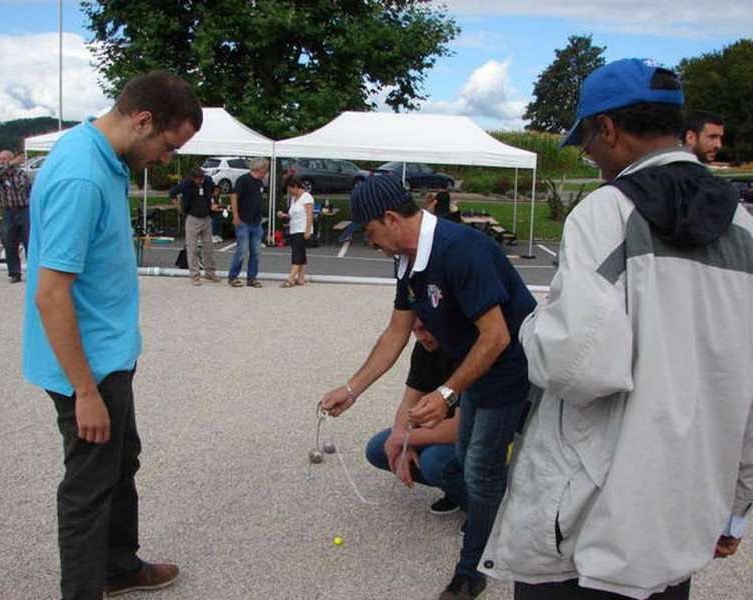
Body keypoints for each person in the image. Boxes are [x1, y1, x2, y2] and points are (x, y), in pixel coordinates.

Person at [482, 58, 753, 600]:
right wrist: (738, 504)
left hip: (590, 520)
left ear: (607, 128)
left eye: (586, 140)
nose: (588, 154)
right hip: (680, 514)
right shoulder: (745, 227)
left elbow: (575, 366)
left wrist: (537, 322)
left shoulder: (606, 213)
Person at [23, 70, 202, 600]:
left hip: (109, 356)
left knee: (121, 460)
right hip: (88, 367)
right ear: (143, 121)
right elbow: (51, 294)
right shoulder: (81, 174)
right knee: (89, 487)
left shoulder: (103, 156)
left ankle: (119, 567)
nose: (168, 160)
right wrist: (84, 392)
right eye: (169, 146)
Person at [320, 174, 536, 600]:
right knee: (468, 458)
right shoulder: (407, 261)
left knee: (481, 466)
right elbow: (395, 333)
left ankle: (471, 570)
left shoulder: (460, 250)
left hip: (508, 368)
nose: (370, 242)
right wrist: (353, 388)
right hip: (475, 367)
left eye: (368, 232)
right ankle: (488, 512)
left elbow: (497, 337)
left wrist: (446, 394)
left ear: (391, 218)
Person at [365, 318, 464, 514]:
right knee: (377, 449)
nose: (421, 337)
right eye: (415, 330)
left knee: (433, 462)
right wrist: (403, 440)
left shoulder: (465, 352)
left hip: (476, 434)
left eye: (426, 329)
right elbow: (408, 403)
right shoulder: (423, 350)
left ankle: (482, 506)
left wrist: (404, 437)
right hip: (436, 426)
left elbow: (461, 428)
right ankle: (456, 490)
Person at [169, 168, 221, 286]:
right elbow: (172, 193)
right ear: (193, 178)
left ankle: (210, 272)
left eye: (202, 178)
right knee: (192, 248)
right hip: (192, 218)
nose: (201, 181)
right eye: (198, 179)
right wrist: (179, 208)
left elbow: (215, 190)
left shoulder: (208, 181)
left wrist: (214, 201)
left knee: (209, 246)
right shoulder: (186, 184)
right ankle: (194, 275)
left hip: (206, 217)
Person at [228, 158, 269, 288]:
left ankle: (252, 278)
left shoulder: (260, 183)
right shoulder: (243, 180)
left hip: (256, 222)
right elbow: (234, 197)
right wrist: (235, 216)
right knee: (242, 250)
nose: (266, 172)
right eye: (265, 169)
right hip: (243, 221)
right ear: (259, 169)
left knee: (256, 252)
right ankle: (233, 276)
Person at [0, 149, 31, 283]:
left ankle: (33, 272)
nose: (1, 161)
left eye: (4, 159)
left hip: (24, 210)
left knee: (29, 242)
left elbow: (29, 190)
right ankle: (14, 272)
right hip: (9, 211)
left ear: (11, 159)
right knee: (9, 242)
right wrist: (11, 164)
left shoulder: (21, 174)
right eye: (0, 159)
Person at [277, 175, 314, 287]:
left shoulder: (307, 197)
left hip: (302, 229)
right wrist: (284, 215)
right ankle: (301, 278)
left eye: (290, 189)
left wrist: (307, 231)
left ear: (295, 186)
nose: (289, 192)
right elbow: (294, 214)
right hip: (294, 228)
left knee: (297, 255)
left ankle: (291, 278)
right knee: (300, 254)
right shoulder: (294, 199)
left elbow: (309, 215)